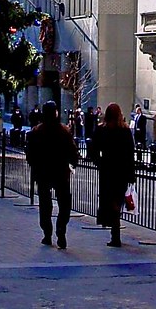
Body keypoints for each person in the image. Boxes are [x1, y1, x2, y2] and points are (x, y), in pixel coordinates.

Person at [25, 101, 79, 248]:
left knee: (45, 204)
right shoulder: (63, 131)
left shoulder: (36, 132)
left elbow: (30, 154)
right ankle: (61, 229)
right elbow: (72, 151)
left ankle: (47, 233)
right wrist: (73, 162)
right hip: (60, 171)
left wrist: (34, 166)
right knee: (64, 203)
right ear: (55, 113)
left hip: (43, 172)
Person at [88, 103, 136, 247]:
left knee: (111, 201)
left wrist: (99, 162)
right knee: (117, 201)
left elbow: (93, 149)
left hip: (108, 170)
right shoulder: (125, 131)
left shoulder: (103, 130)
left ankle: (115, 234)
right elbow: (130, 154)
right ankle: (115, 233)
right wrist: (131, 174)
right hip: (121, 171)